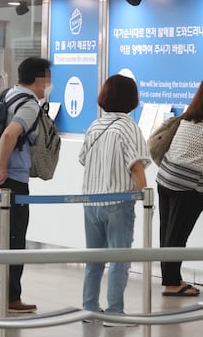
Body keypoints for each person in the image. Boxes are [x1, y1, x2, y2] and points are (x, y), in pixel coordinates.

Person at [0, 57, 51, 313]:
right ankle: (10, 297)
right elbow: (9, 134)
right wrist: (3, 167)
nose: (49, 84)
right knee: (14, 239)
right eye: (48, 79)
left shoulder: (7, 94)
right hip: (9, 180)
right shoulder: (29, 104)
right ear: (39, 80)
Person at [79, 74, 149, 325]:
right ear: (131, 99)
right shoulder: (129, 127)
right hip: (118, 202)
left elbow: (83, 158)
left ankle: (89, 309)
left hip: (90, 202)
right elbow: (136, 166)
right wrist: (146, 196)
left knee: (94, 260)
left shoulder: (95, 125)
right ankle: (114, 312)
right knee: (119, 260)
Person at [156, 80, 203, 297]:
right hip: (186, 186)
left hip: (166, 178)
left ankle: (172, 279)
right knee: (176, 236)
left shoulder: (189, 117)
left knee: (168, 233)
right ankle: (172, 284)